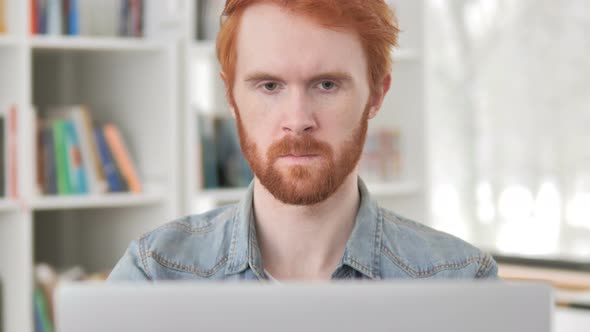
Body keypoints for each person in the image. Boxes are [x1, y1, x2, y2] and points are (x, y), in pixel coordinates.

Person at [108, 0, 498, 281]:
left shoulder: (461, 281)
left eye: (327, 85)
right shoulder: (155, 274)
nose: (297, 121)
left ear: (377, 94)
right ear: (230, 97)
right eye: (269, 85)